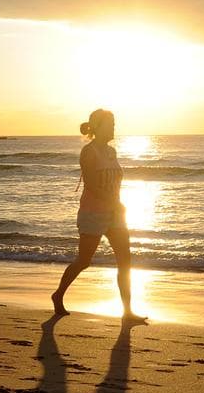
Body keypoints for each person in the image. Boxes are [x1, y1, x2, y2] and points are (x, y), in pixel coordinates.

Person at [51, 109, 146, 324]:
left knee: (125, 261)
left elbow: (113, 182)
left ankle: (128, 312)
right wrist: (115, 203)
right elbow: (92, 185)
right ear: (98, 127)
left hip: (115, 214)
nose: (114, 128)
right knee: (84, 261)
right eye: (110, 124)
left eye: (114, 124)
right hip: (93, 213)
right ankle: (58, 295)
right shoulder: (89, 151)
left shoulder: (111, 152)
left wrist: (117, 204)